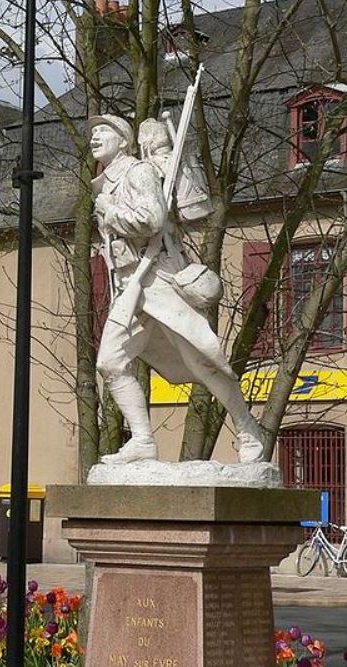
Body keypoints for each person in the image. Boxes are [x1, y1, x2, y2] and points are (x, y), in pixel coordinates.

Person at [90, 114, 266, 464]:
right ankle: (142, 441)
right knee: (111, 363)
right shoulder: (106, 182)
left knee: (202, 359)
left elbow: (152, 219)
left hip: (158, 278)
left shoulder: (137, 172)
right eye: (92, 131)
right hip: (130, 286)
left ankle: (248, 428)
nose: (94, 135)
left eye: (103, 130)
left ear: (123, 141)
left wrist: (110, 213)